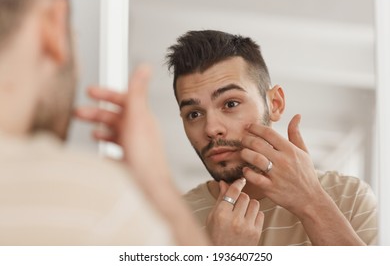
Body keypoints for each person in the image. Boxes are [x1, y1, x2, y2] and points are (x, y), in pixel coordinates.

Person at [76, 30, 377, 246]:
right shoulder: (164, 222)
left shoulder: (349, 197)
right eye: (194, 113)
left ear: (275, 104)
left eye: (230, 104)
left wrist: (311, 203)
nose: (211, 128)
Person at [0, 0, 208, 245]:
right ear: (54, 24)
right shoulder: (92, 204)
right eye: (74, 34)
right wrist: (157, 181)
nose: (213, 129)